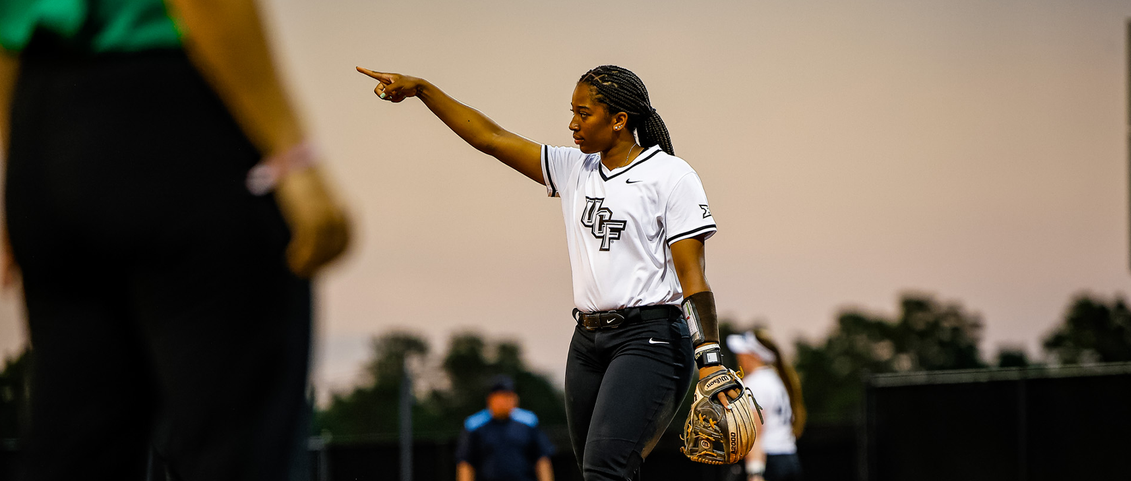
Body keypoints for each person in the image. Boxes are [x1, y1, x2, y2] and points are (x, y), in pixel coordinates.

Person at [0, 0, 350, 479]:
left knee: (74, 447)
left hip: (41, 124)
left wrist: (25, 174)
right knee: (235, 446)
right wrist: (292, 155)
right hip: (170, 116)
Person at [357, 64, 740, 481]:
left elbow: (692, 276)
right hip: (588, 344)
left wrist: (710, 356)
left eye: (583, 113)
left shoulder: (671, 175)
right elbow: (491, 138)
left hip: (650, 340)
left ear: (618, 120)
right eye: (571, 111)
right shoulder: (574, 168)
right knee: (601, 471)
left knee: (604, 471)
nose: (572, 123)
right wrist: (423, 90)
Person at [726, 329, 807, 481]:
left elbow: (755, 433)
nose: (738, 356)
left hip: (769, 462)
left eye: (742, 352)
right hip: (789, 459)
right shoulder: (775, 379)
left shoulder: (755, 383)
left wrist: (755, 473)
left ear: (754, 355)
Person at [456, 375, 555, 481]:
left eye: (510, 396)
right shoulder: (475, 424)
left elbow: (542, 459)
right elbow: (466, 464)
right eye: (503, 397)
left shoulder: (528, 421)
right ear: (491, 399)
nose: (508, 401)